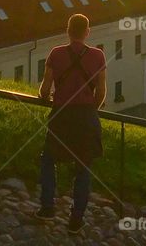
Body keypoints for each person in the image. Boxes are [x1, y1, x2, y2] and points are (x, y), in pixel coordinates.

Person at [36, 13, 106, 234]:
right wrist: (91, 108)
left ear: (68, 31)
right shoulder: (98, 56)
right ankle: (76, 219)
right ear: (87, 32)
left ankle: (48, 207)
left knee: (49, 159)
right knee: (83, 167)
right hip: (86, 117)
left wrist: (46, 96)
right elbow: (102, 91)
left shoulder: (56, 53)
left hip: (62, 115)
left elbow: (45, 89)